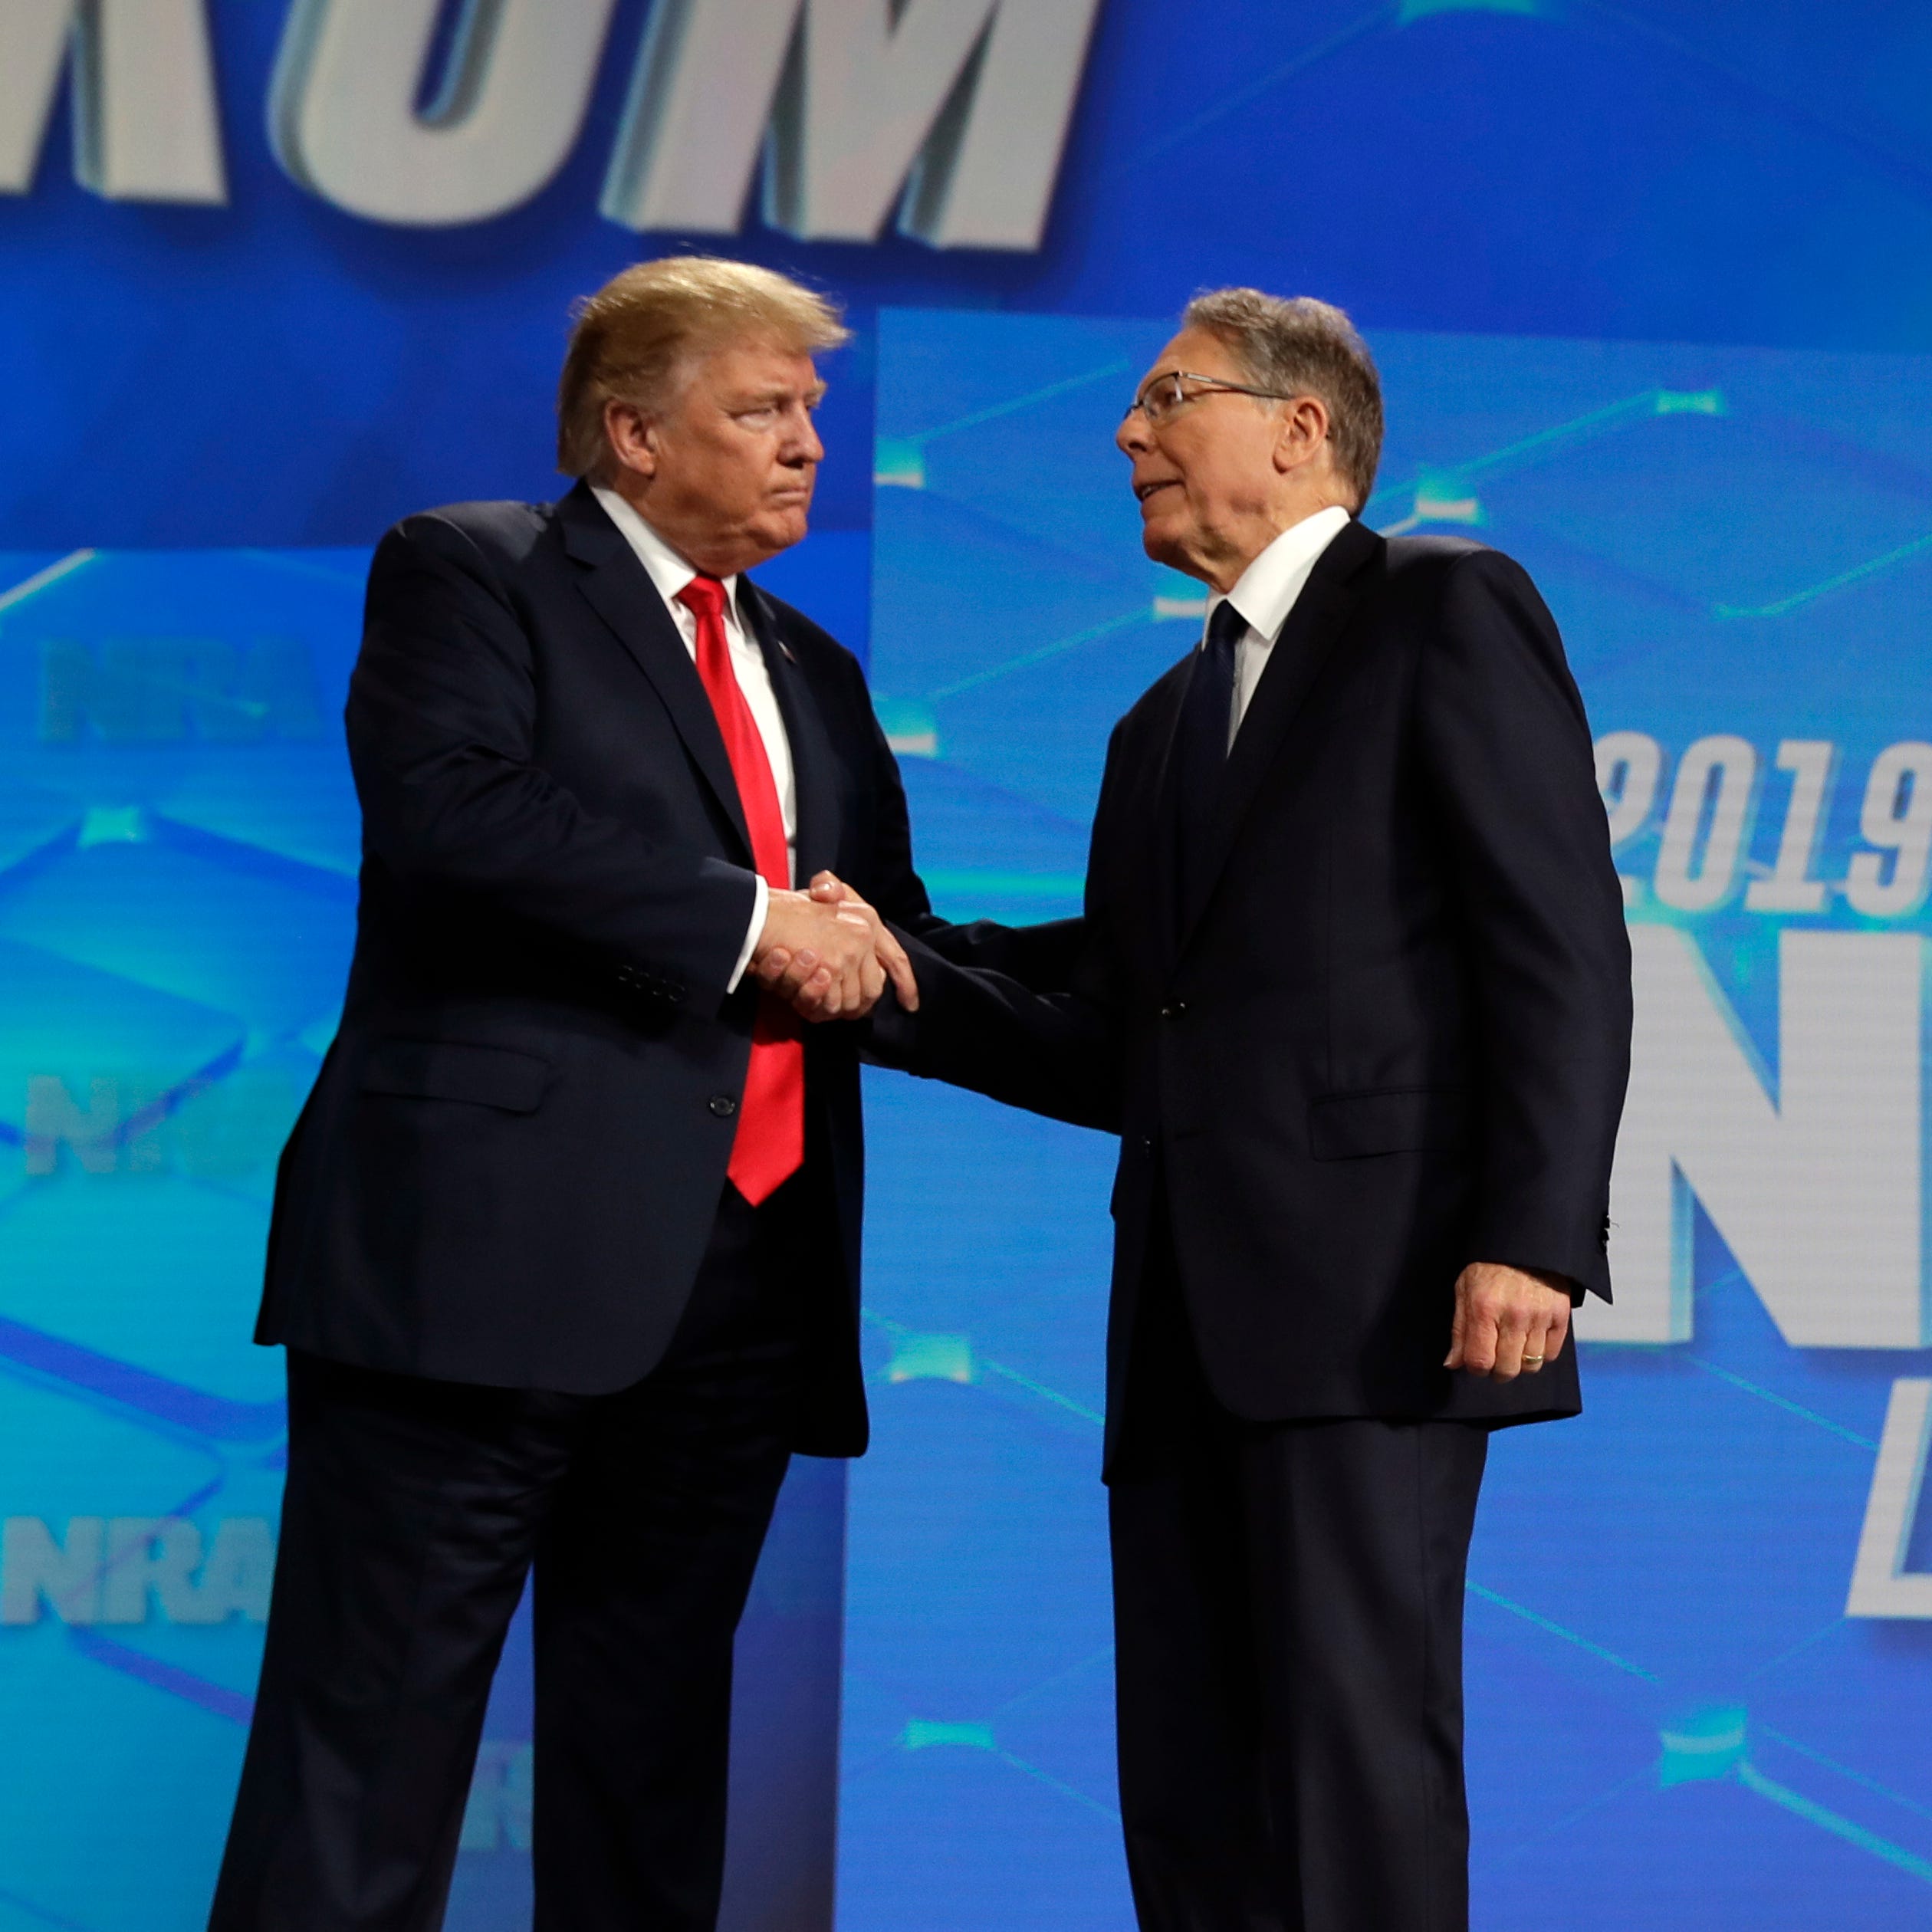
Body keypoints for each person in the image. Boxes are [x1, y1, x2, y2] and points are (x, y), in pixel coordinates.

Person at [785, 289, 1632, 1930]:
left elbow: (1557, 938)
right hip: (1179, 1313)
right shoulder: (1159, 723)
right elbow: (1122, 1026)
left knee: (1349, 1758)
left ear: (1299, 428)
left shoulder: (1442, 605)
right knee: (1187, 1781)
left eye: (1168, 397)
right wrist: (889, 972)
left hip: (1380, 1295)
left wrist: (1531, 1235)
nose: (1129, 434)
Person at [210, 257, 925, 1932]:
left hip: (742, 1278)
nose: (808, 443)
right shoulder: (476, 571)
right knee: (366, 1746)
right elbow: (458, 816)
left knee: (650, 1757)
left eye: (813, 409)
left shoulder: (812, 664)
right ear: (630, 430)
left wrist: (1173, 1020)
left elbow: (883, 942)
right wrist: (756, 925)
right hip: (475, 1270)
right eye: (763, 410)